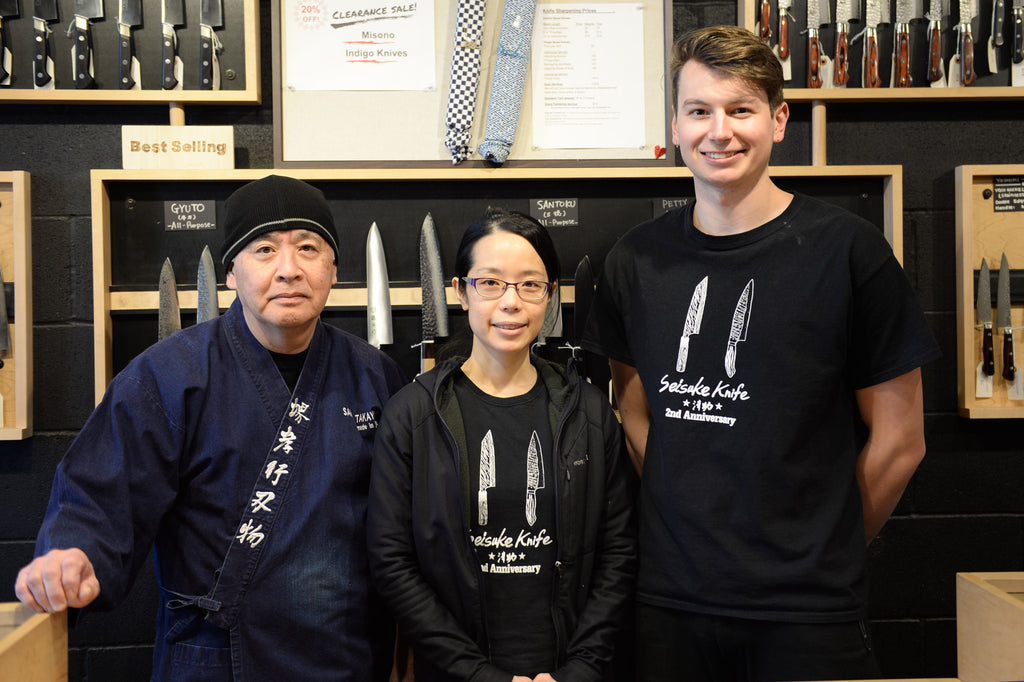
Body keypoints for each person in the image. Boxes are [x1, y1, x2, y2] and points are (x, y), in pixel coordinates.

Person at [582, 25, 942, 682]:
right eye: (700, 111)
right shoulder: (633, 262)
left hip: (809, 617)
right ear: (678, 123)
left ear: (778, 120)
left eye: (740, 109)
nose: (719, 131)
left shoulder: (849, 253)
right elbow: (636, 415)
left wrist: (824, 549)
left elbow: (902, 440)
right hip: (672, 606)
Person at [15, 175, 407, 681]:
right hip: (215, 658)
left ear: (333, 269)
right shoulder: (168, 376)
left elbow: (405, 521)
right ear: (230, 274)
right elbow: (101, 493)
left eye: (308, 249)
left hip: (346, 657)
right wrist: (72, 553)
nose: (289, 270)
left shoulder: (375, 375)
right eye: (265, 250)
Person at [367, 207, 636, 682]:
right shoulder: (413, 414)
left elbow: (618, 553)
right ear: (460, 292)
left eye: (530, 284)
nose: (511, 302)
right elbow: (392, 562)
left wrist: (581, 669)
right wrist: (476, 675)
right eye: (490, 283)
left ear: (549, 296)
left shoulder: (589, 412)